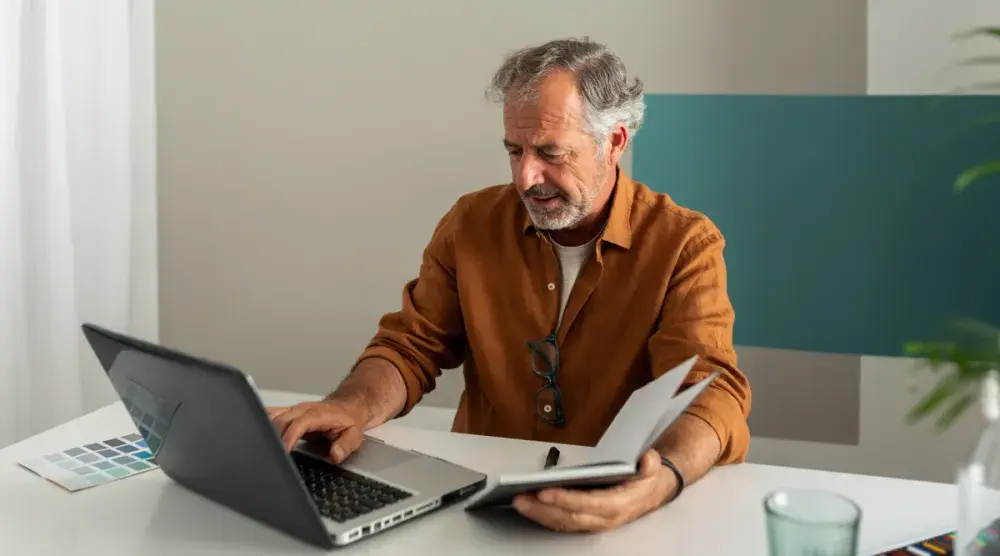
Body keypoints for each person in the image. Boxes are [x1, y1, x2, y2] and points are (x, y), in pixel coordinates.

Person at [267, 37, 751, 533]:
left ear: (615, 142)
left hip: (619, 519)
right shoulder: (470, 222)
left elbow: (710, 394)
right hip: (477, 508)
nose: (526, 176)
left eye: (550, 153)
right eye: (514, 150)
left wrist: (661, 480)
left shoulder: (684, 244)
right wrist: (350, 406)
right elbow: (410, 347)